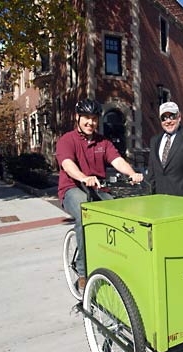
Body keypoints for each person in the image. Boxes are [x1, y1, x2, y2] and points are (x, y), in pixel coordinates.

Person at [56, 98, 143, 290]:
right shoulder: (67, 140)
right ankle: (82, 270)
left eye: (94, 118)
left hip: (98, 188)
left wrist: (132, 173)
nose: (90, 122)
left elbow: (117, 160)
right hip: (72, 188)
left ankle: (113, 260)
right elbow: (68, 165)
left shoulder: (102, 142)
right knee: (84, 212)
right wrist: (83, 177)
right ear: (77, 117)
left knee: (117, 213)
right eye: (86, 118)